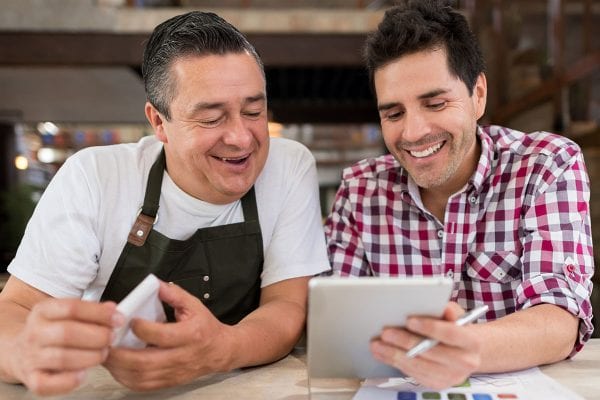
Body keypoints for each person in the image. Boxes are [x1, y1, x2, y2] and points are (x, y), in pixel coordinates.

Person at [0, 11, 330, 396]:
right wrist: (25, 354)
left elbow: (286, 307)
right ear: (158, 122)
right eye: (211, 119)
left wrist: (219, 350)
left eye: (254, 112)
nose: (242, 139)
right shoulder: (94, 178)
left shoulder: (289, 167)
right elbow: (16, 310)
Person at [324, 0, 594, 390]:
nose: (414, 132)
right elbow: (337, 334)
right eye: (394, 114)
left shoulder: (546, 165)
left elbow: (559, 319)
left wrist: (467, 349)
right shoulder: (360, 191)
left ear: (478, 94)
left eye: (435, 103)